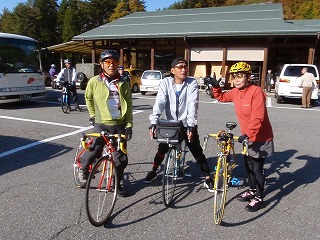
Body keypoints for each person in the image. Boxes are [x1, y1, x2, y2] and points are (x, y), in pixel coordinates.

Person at [211, 62, 274, 212]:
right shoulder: (235, 92)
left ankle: (259, 197)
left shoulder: (256, 91)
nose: (236, 80)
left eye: (240, 76)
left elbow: (258, 116)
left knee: (257, 168)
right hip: (247, 137)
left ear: (248, 77)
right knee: (248, 166)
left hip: (260, 137)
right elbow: (221, 97)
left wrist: (249, 133)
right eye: (234, 77)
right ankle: (252, 190)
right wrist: (215, 86)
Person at [144, 57, 213, 192]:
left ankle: (207, 178)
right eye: (180, 67)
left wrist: (191, 125)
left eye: (185, 66)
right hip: (170, 123)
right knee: (162, 147)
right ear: (172, 70)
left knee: (196, 150)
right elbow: (160, 102)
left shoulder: (191, 82)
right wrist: (154, 121)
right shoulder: (166, 82)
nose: (184, 69)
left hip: (187, 122)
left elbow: (192, 104)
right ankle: (153, 170)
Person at [79, 50, 133, 197]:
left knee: (120, 157)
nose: (111, 65)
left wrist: (129, 126)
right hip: (101, 123)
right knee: (95, 149)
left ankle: (118, 182)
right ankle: (83, 170)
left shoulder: (123, 82)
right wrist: (92, 114)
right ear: (102, 64)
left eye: (115, 62)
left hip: (119, 124)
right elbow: (88, 98)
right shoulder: (94, 81)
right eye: (108, 62)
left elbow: (128, 104)